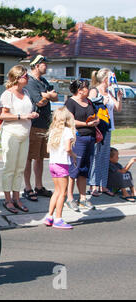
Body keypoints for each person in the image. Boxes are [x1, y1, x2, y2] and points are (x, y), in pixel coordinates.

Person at [0, 65, 39, 214]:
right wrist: (23, 116)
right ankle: (7, 199)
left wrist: (32, 114)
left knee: (20, 167)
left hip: (25, 133)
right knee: (9, 167)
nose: (27, 78)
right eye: (25, 76)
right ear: (17, 78)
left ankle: (17, 197)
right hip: (11, 133)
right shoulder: (7, 94)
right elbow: (2, 116)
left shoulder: (27, 92)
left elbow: (27, 110)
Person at [23, 55, 58, 201]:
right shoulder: (30, 82)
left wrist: (47, 95)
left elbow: (55, 96)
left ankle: (39, 185)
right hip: (34, 124)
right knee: (30, 157)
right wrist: (47, 95)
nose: (46, 66)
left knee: (40, 157)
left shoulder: (43, 81)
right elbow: (39, 102)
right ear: (37, 65)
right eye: (44, 64)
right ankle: (28, 187)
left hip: (45, 124)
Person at [65, 79, 99, 212]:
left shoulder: (89, 102)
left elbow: (94, 115)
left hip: (90, 137)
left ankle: (83, 197)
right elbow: (70, 120)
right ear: (79, 90)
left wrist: (96, 120)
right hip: (78, 138)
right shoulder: (70, 102)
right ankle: (69, 198)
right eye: (86, 87)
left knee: (85, 169)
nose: (88, 89)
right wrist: (86, 124)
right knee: (74, 168)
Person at [88, 68, 123, 197]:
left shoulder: (109, 92)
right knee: (95, 156)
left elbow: (118, 108)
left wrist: (118, 98)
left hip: (108, 127)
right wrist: (101, 103)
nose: (112, 81)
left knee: (104, 157)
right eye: (110, 78)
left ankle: (102, 185)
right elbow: (89, 107)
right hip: (98, 128)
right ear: (105, 79)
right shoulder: (94, 91)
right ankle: (93, 185)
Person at [44, 107, 77, 229]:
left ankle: (50, 216)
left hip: (53, 163)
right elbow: (68, 149)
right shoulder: (67, 131)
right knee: (63, 193)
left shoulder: (53, 131)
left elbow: (48, 149)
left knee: (56, 191)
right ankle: (58, 218)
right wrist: (74, 156)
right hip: (62, 163)